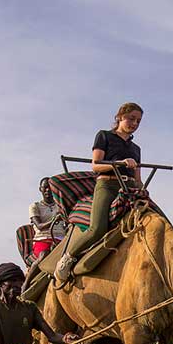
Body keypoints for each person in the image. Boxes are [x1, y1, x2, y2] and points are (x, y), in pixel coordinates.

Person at [54, 102, 144, 284]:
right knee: (97, 228)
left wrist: (142, 190)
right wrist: (120, 163)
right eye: (131, 118)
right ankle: (67, 259)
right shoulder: (104, 136)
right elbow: (96, 165)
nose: (134, 123)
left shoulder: (136, 149)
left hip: (128, 189)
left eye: (138, 121)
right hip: (107, 185)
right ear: (120, 116)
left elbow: (138, 177)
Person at [29, 177, 68, 263]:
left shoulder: (61, 205)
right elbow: (39, 226)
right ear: (40, 189)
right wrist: (55, 219)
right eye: (45, 187)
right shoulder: (35, 206)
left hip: (61, 239)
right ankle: (29, 276)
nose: (48, 190)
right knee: (43, 255)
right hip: (43, 239)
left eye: (50, 187)